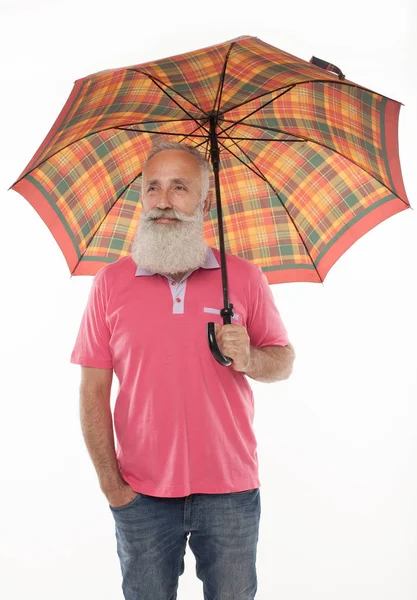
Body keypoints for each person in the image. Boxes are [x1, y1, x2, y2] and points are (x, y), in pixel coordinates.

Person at [70, 141, 295, 600]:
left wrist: (250, 356)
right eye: (152, 188)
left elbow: (283, 362)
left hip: (231, 491)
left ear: (205, 201)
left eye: (179, 187)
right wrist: (112, 486)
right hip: (141, 494)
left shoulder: (245, 278)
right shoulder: (110, 284)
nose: (164, 200)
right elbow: (92, 391)